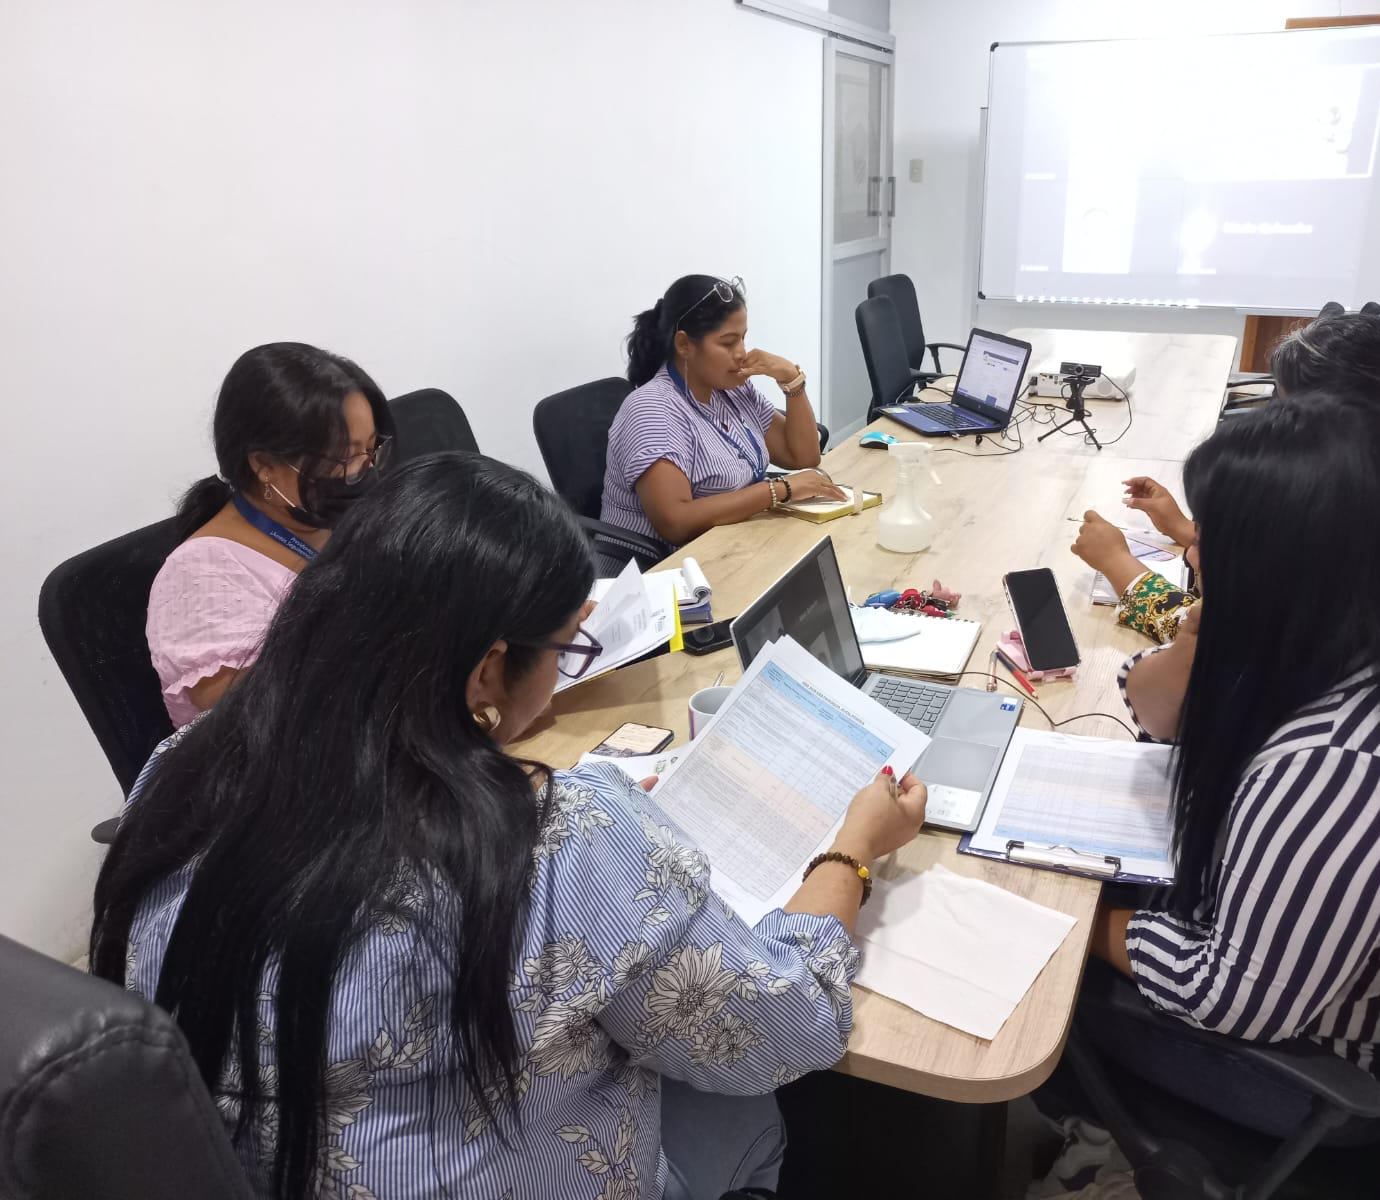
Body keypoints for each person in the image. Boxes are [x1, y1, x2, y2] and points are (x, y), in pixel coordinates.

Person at [93, 452, 928, 1200]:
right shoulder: (558, 838)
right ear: (488, 670)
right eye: (567, 650)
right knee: (751, 1113)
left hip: (265, 1167)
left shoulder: (181, 766)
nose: (567, 667)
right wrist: (852, 851)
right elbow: (786, 1031)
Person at [1060, 398, 1380, 1136]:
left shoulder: (1346, 772)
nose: (1192, 556)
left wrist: (1078, 923)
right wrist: (1198, 633)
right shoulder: (1362, 645)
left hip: (1299, 1070)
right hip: (1280, 963)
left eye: (1212, 539)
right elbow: (1160, 712)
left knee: (1031, 990)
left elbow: (1231, 997)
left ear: (1288, 563)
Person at [1071, 308, 1380, 642]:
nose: (1274, 424)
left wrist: (1119, 564)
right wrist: (1184, 529)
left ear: (1336, 427)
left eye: (1286, 410)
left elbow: (1222, 644)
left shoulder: (1340, 530)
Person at [146, 342, 393, 726]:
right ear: (264, 465)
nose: (362, 470)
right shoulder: (201, 577)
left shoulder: (333, 518)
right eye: (344, 457)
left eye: (371, 449)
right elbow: (261, 726)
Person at [601, 274, 847, 548]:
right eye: (728, 343)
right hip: (662, 565)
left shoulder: (731, 388)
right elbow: (676, 522)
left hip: (730, 544)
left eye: (742, 338)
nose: (741, 353)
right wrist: (779, 490)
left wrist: (792, 380)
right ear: (684, 345)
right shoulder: (652, 410)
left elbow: (803, 456)